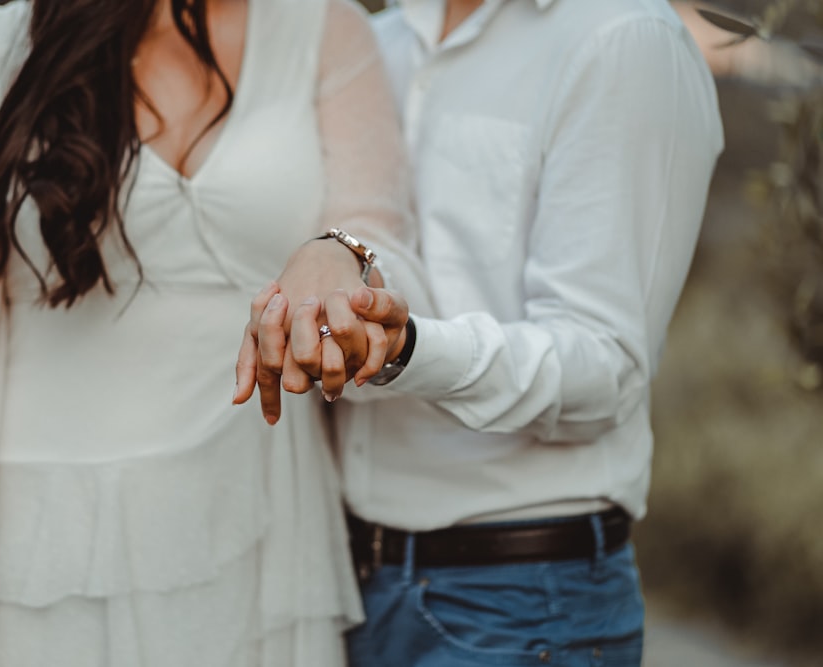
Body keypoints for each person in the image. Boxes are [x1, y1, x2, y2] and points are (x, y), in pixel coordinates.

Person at [0, 1, 724, 666]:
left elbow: (375, 233)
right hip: (44, 565)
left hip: (281, 559)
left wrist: (347, 267)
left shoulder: (344, 31)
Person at [0, 0, 431, 665]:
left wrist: (339, 254)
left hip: (254, 550)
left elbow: (379, 236)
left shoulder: (324, 27)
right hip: (37, 568)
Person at [232, 0, 724, 665]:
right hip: (344, 587)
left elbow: (606, 366)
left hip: (521, 599)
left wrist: (409, 349)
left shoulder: (622, 39)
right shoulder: (377, 40)